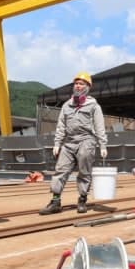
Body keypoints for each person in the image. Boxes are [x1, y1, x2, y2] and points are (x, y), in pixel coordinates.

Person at [39, 71, 107, 215]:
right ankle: (55, 202)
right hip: (69, 142)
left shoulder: (94, 106)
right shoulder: (66, 106)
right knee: (60, 169)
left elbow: (100, 126)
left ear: (88, 87)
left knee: (84, 171)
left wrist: (102, 145)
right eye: (76, 83)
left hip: (86, 140)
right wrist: (57, 143)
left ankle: (82, 200)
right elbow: (61, 125)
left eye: (81, 83)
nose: (77, 86)